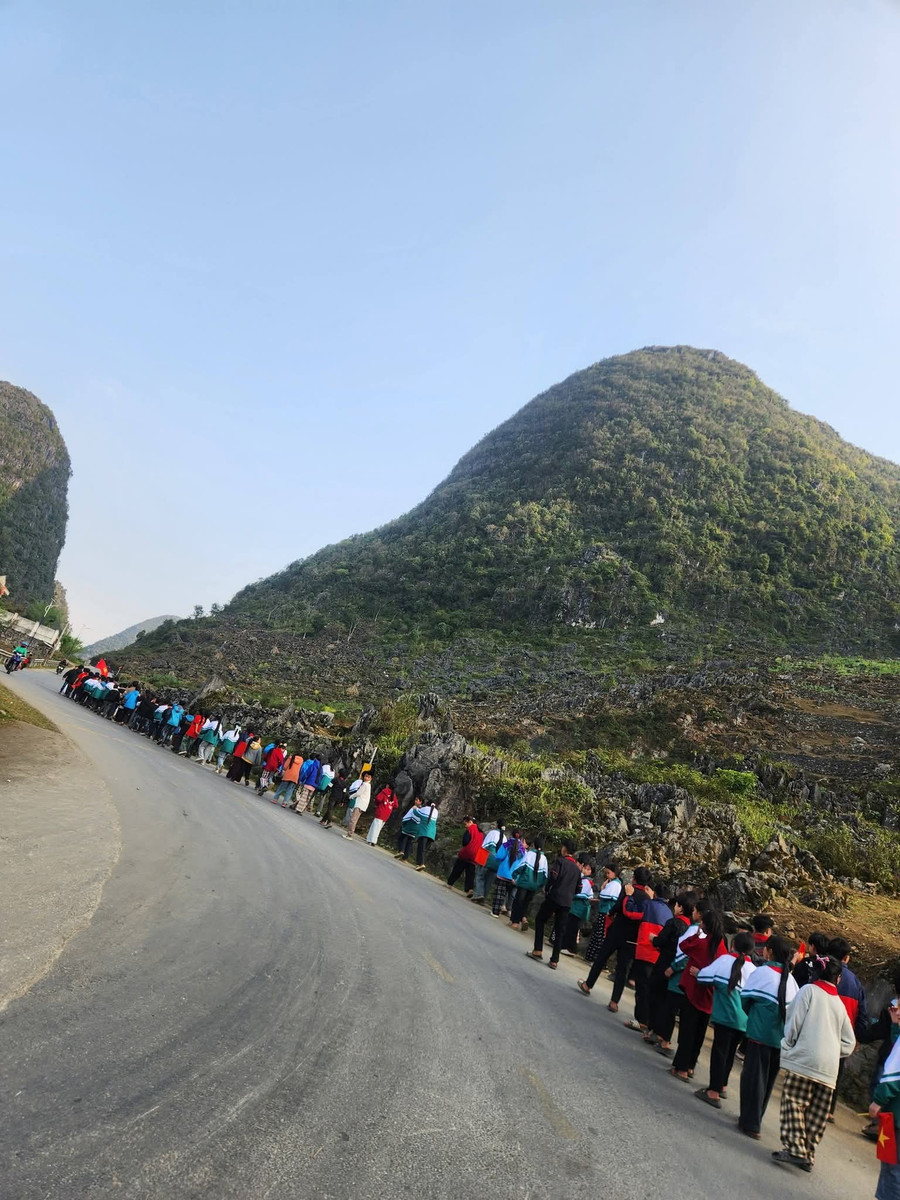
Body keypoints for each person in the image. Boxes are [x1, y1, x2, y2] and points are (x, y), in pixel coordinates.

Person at [772, 955, 856, 1172]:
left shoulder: (808, 991)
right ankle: (808, 1154)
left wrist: (788, 1045)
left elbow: (794, 1022)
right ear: (838, 980)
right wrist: (834, 1051)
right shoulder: (839, 1004)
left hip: (805, 1060)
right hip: (829, 1069)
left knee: (794, 1103)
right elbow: (850, 1041)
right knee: (817, 1113)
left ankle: (796, 1149)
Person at [738, 934, 799, 1140]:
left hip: (759, 1035)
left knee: (753, 1079)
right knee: (767, 1081)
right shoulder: (792, 981)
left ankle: (750, 1122)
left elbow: (744, 1000)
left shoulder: (762, 972)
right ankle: (755, 1119)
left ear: (770, 951)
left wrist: (754, 1018)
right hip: (780, 1040)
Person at [577, 866, 652, 1012]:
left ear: (634, 878)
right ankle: (614, 1002)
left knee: (601, 958)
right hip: (632, 938)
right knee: (622, 969)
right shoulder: (647, 899)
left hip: (617, 931)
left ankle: (588, 985)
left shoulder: (627, 889)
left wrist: (610, 915)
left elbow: (617, 907)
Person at [694, 930, 755, 1106]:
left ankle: (713, 1091)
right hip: (743, 1021)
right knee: (729, 1054)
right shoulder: (754, 970)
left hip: (724, 1017)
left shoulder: (724, 961)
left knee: (719, 1052)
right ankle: (722, 1086)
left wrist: (697, 972)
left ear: (733, 945)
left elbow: (704, 977)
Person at [669, 906, 727, 1080]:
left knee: (687, 1031)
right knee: (699, 1034)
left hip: (694, 992)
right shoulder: (722, 948)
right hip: (710, 997)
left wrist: (698, 933)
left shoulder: (702, 943)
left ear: (706, 925)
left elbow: (684, 945)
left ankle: (681, 1067)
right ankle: (691, 1066)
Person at [645, 891, 698, 1055]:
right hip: (676, 969)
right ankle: (657, 1032)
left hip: (665, 963)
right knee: (665, 1001)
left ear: (681, 908)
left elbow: (661, 941)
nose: (674, 907)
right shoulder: (689, 928)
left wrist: (653, 939)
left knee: (654, 996)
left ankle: (653, 1030)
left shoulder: (673, 923)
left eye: (676, 905)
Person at [625, 884, 674, 1033]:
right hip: (659, 956)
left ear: (655, 893)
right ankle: (648, 1022)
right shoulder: (670, 913)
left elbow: (630, 912)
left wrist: (629, 896)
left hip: (645, 950)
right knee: (650, 988)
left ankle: (642, 1020)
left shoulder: (648, 905)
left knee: (642, 988)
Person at [527, 841, 582, 967]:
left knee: (540, 919)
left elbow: (553, 877)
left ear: (565, 849)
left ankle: (538, 949)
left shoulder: (560, 862)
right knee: (560, 930)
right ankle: (554, 960)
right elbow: (579, 888)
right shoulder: (577, 870)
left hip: (555, 897)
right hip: (567, 902)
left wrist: (547, 890)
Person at [868, 1007, 900, 1200]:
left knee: (892, 1166)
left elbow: (894, 1074)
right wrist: (896, 1026)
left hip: (895, 1116)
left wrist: (878, 1100)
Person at [584, 863, 623, 961]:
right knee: (598, 935)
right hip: (603, 911)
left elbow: (605, 896)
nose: (607, 875)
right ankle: (591, 957)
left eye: (608, 873)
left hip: (606, 913)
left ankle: (596, 958)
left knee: (600, 936)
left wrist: (602, 889)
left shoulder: (615, 884)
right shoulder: (613, 883)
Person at [557, 855, 594, 955]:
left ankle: (571, 948)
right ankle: (565, 945)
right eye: (585, 868)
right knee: (569, 926)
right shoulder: (582, 879)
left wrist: (571, 893)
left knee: (573, 928)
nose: (585, 871)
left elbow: (581, 894)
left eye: (588, 869)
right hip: (575, 908)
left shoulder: (587, 881)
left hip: (579, 909)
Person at [509, 838, 548, 932]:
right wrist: (540, 886)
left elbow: (521, 866)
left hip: (524, 883)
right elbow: (545, 876)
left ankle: (515, 922)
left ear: (534, 845)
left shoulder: (529, 854)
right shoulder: (544, 858)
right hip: (534, 886)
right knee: (526, 902)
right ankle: (523, 918)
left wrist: (514, 875)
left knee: (518, 902)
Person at [471, 821, 506, 905]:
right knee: (489, 880)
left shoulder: (492, 833)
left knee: (480, 876)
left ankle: (479, 894)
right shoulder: (505, 837)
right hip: (497, 862)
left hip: (487, 858)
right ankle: (483, 898)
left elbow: (486, 846)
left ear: (497, 825)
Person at [446, 818, 484, 894]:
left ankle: (450, 883)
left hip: (467, 853)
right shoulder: (481, 832)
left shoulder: (470, 829)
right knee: (470, 873)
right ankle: (469, 889)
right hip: (475, 855)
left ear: (470, 822)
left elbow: (465, 842)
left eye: (465, 824)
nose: (465, 826)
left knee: (458, 869)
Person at [491, 830, 524, 917]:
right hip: (514, 877)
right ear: (521, 838)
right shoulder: (523, 850)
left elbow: (499, 856)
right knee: (511, 895)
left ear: (511, 835)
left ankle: (495, 912)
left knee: (499, 893)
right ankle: (509, 911)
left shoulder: (506, 845)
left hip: (503, 873)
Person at [343, 771, 372, 838]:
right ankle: (350, 833)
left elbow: (358, 793)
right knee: (354, 819)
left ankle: (349, 834)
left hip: (360, 804)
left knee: (353, 820)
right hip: (363, 805)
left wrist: (351, 796)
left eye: (368, 777)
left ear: (371, 778)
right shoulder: (368, 785)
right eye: (365, 776)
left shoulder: (365, 784)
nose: (366, 778)